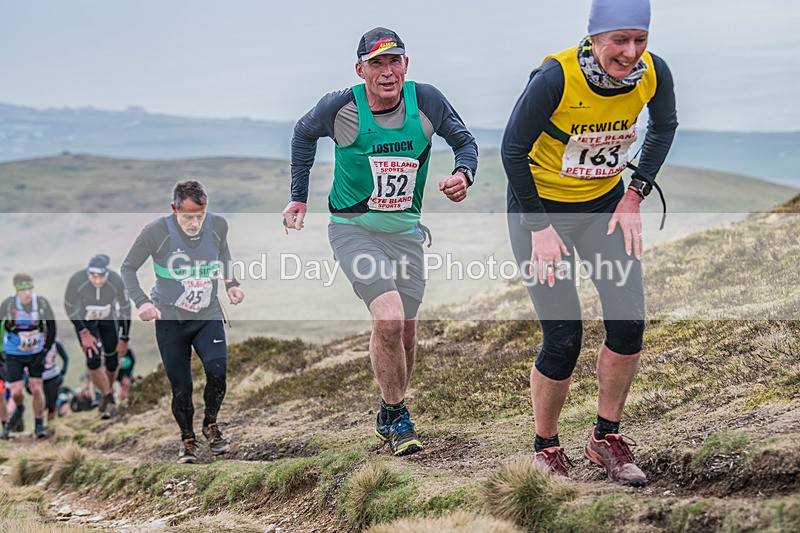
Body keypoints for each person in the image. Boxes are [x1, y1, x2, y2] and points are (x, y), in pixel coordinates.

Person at [501, 0, 677, 486]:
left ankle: (605, 438)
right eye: (619, 40)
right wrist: (540, 226)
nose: (630, 51)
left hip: (605, 208)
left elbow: (665, 126)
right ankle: (546, 448)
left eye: (639, 40)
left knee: (629, 323)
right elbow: (512, 151)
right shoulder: (555, 77)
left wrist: (634, 194)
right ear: (595, 37)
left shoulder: (652, 72)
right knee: (563, 337)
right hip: (539, 211)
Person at [282, 27, 478, 457]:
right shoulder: (341, 107)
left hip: (405, 233)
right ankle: (399, 415)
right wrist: (299, 196)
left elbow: (465, 141)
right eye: (377, 63)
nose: (387, 72)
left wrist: (463, 174)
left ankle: (387, 413)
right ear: (361, 69)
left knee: (406, 332)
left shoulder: (426, 101)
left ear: (406, 65)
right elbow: (301, 134)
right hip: (353, 229)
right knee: (388, 320)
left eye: (395, 62)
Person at [121, 180, 244, 464]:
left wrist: (230, 284)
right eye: (188, 216)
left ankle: (210, 424)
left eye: (200, 216)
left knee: (217, 372)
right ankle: (187, 439)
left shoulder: (217, 226)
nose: (194, 223)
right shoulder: (156, 232)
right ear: (174, 209)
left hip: (207, 314)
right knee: (181, 386)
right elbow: (127, 268)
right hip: (170, 319)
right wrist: (142, 302)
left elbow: (222, 253)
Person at [64, 254, 131, 420]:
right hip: (86, 323)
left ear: (107, 274)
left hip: (108, 321)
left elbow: (125, 309)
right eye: (93, 276)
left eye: (101, 276)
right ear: (88, 274)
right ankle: (106, 395)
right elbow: (69, 306)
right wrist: (83, 332)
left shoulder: (116, 281)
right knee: (93, 360)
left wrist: (124, 337)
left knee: (112, 361)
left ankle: (106, 394)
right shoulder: (77, 280)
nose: (97, 280)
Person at [0, 273, 56, 438]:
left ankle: (39, 425)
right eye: (23, 289)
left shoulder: (41, 304)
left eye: (30, 288)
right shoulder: (8, 305)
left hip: (35, 352)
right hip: (13, 353)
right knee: (16, 392)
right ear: (17, 290)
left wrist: (46, 348)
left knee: (37, 388)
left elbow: (51, 326)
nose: (27, 292)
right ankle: (20, 407)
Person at [41, 339, 69, 422]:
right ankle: (40, 424)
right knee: (43, 403)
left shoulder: (55, 343)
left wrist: (63, 371)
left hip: (53, 376)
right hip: (40, 379)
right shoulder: (36, 345)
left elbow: (65, 358)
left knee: (52, 405)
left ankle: (50, 424)